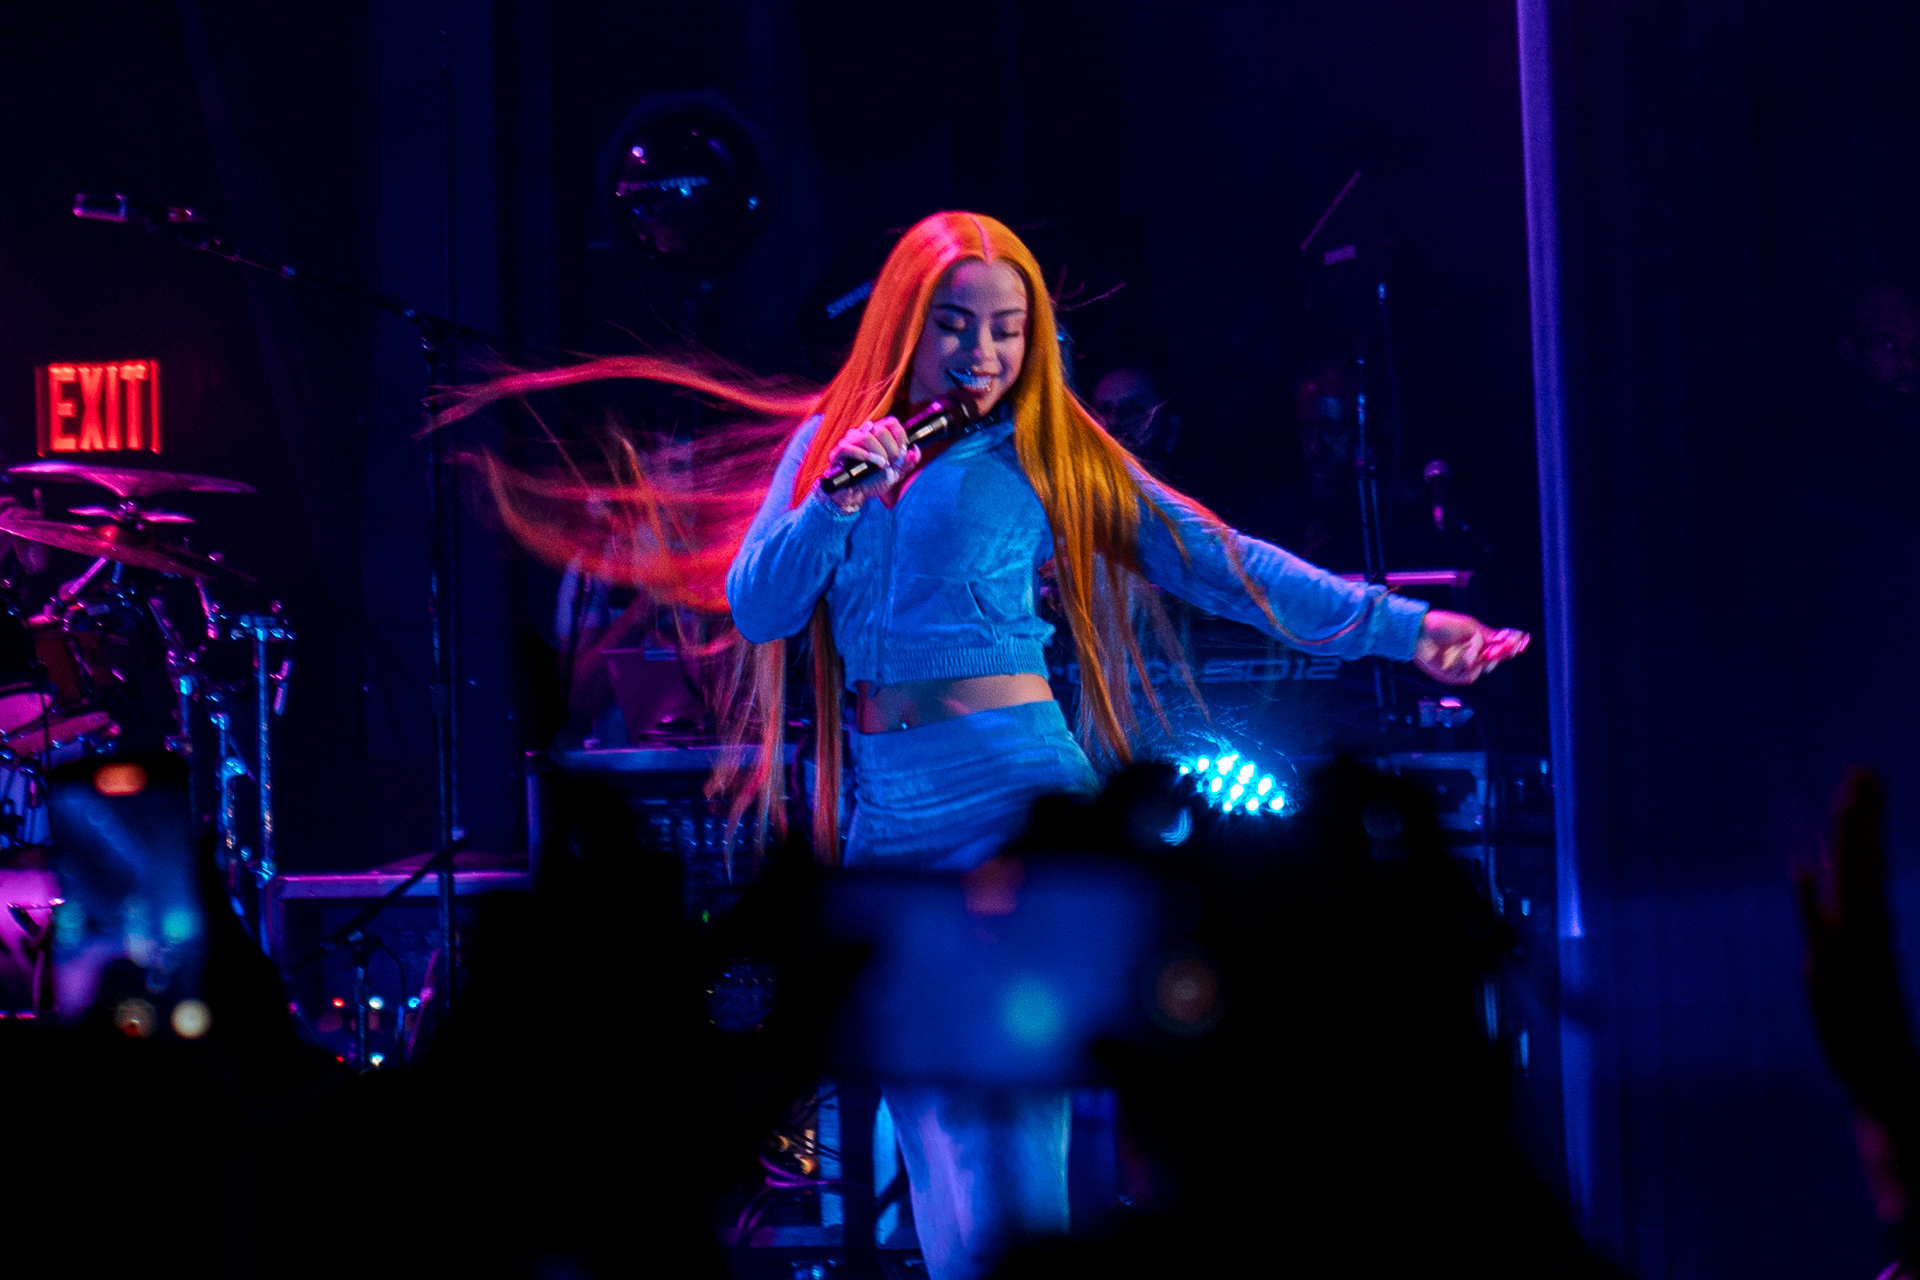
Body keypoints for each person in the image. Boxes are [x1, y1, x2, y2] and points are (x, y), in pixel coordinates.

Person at [454, 211, 1528, 1280]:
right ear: (905, 324)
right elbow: (760, 605)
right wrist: (836, 499)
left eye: (1008, 330)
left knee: (1009, 1146)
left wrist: (1404, 628)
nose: (983, 352)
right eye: (957, 325)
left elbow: (1219, 559)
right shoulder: (832, 442)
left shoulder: (1045, 445)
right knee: (935, 1153)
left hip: (1009, 794)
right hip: (888, 812)